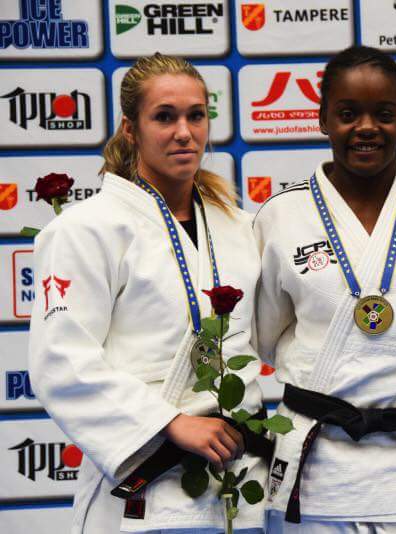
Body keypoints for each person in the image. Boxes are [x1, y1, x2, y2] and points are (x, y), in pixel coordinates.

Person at [28, 54, 267, 533]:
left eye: (196, 115)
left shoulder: (241, 227)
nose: (184, 132)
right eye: (164, 117)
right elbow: (62, 360)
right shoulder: (86, 230)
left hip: (237, 481)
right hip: (146, 480)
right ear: (130, 129)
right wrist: (170, 423)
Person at [253, 45, 396, 533]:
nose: (366, 128)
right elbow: (266, 335)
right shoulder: (281, 216)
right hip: (317, 473)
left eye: (384, 113)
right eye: (347, 114)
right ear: (322, 120)